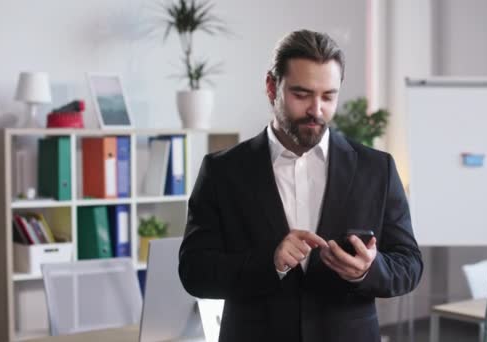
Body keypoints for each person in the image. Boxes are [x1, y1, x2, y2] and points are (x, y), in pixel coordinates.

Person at [179, 29, 423, 342]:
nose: (316, 110)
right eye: (302, 94)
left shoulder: (377, 169)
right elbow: (194, 271)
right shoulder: (223, 171)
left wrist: (367, 269)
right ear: (271, 87)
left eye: (328, 96)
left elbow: (410, 265)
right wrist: (271, 262)